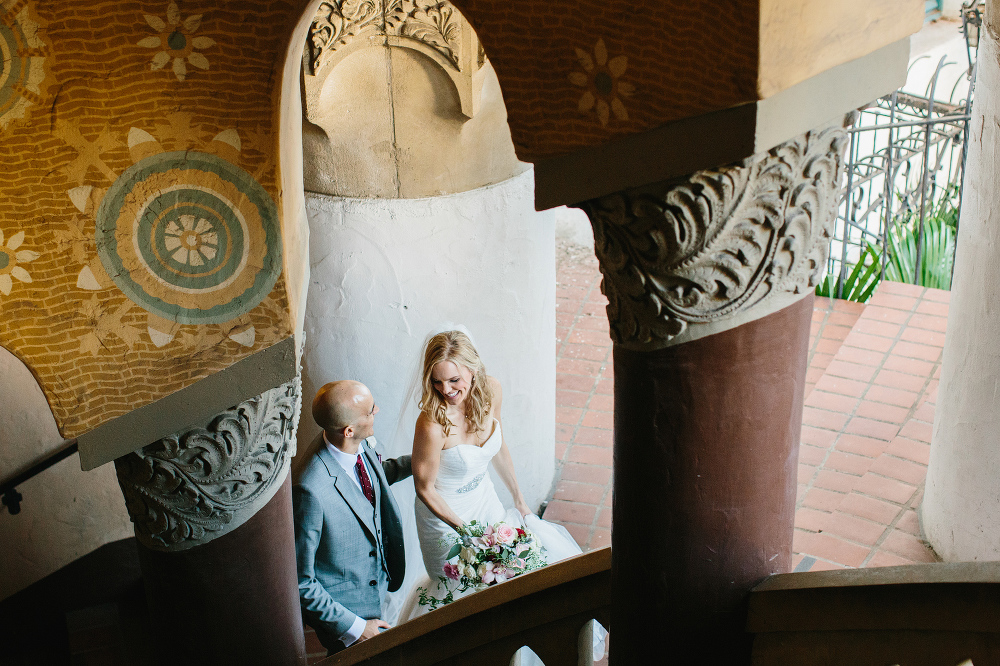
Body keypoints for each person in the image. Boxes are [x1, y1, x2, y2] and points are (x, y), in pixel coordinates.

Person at [399, 329, 582, 619]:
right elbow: (425, 488)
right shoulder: (432, 422)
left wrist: (519, 499)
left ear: (472, 370)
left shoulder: (492, 390)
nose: (446, 390)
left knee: (507, 579)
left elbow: (497, 445)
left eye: (454, 380)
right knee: (459, 593)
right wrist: (464, 530)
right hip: (444, 518)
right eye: (437, 382)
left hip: (483, 498)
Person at [293, 380, 412, 655]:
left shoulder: (350, 443)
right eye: (371, 411)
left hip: (378, 593)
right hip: (349, 621)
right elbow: (302, 580)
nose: (377, 411)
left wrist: (419, 461)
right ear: (349, 430)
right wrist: (357, 628)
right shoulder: (310, 490)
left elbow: (373, 479)